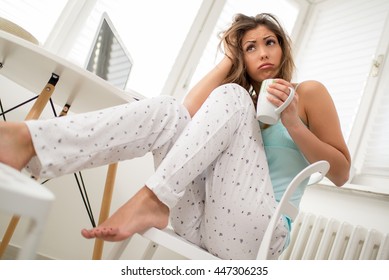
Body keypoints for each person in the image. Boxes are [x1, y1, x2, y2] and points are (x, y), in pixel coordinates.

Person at [0, 13, 351, 259]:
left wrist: (292, 121)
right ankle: (30, 142)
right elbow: (185, 112)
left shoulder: (308, 93)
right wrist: (230, 58)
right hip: (199, 220)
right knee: (169, 109)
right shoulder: (244, 106)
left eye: (269, 43)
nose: (262, 53)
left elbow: (340, 173)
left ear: (282, 49)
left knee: (233, 96)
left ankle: (153, 198)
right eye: (250, 47)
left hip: (258, 235)